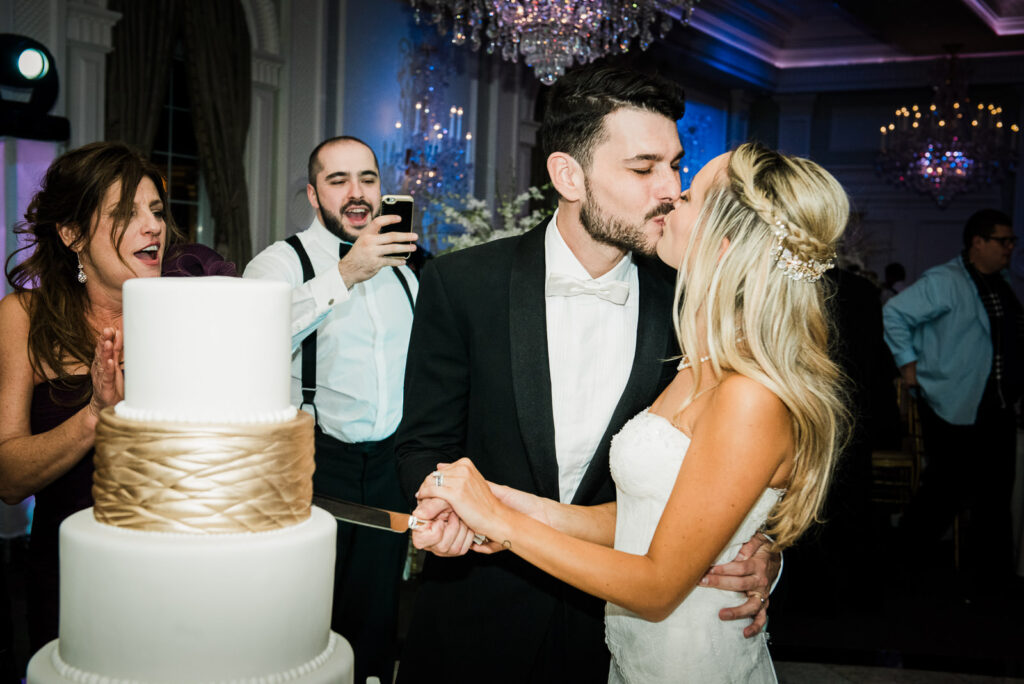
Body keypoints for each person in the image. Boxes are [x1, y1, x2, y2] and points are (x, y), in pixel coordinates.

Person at [395, 65, 781, 683]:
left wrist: (762, 549)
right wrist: (440, 504)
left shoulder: (695, 302)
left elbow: (760, 460)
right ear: (568, 175)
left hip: (620, 631)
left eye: (676, 165)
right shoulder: (463, 285)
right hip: (478, 615)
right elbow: (423, 444)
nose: (669, 188)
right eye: (643, 167)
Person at [242, 135, 417, 684]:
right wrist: (345, 275)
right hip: (312, 469)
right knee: (305, 625)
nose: (356, 192)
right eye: (338, 180)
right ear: (314, 195)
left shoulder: (406, 276)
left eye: (367, 178)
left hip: (389, 470)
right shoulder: (280, 262)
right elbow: (246, 340)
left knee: (376, 625)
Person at [0, 141, 171, 654]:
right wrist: (96, 415)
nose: (153, 226)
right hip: (71, 570)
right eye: (126, 213)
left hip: (172, 568)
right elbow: (8, 478)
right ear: (72, 233)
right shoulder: (24, 318)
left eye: (156, 211)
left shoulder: (183, 316)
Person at [884, 208, 1023, 590]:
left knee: (995, 494)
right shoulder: (946, 280)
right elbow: (893, 314)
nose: (1010, 248)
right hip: (952, 402)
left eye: (1012, 241)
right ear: (977, 242)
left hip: (996, 405)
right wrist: (908, 364)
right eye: (1003, 240)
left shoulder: (1003, 281)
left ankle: (993, 578)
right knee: (945, 489)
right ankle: (902, 567)